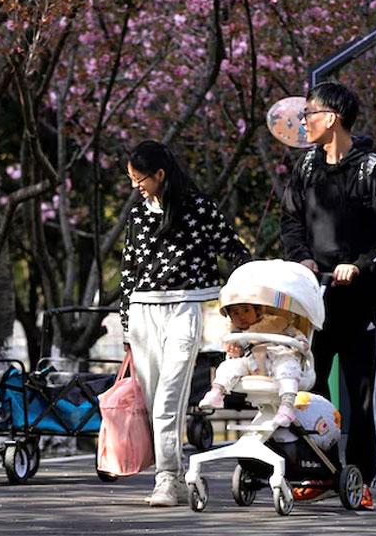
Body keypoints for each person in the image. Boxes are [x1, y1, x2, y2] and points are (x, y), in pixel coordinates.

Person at [280, 82, 376, 510]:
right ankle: (319, 471)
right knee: (309, 391)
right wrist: (301, 259)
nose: (304, 122)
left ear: (332, 117)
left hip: (362, 302)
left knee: (362, 397)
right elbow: (291, 222)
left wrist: (360, 264)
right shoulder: (304, 168)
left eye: (310, 114)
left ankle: (361, 477)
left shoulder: (372, 171)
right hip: (315, 302)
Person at [119, 140, 250, 507]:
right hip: (143, 313)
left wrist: (250, 294)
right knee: (151, 402)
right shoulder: (138, 214)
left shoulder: (199, 208)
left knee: (167, 402)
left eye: (139, 179)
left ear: (160, 174)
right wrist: (126, 328)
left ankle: (166, 479)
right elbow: (128, 273)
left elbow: (234, 250)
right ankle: (172, 478)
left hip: (185, 310)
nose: (135, 187)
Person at [197, 303, 312, 428]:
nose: (242, 316)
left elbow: (296, 335)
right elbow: (234, 353)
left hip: (277, 357)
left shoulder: (277, 323)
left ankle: (287, 405)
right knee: (229, 365)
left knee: (287, 365)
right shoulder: (237, 334)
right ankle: (217, 392)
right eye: (235, 313)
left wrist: (301, 342)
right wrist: (235, 353)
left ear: (257, 310)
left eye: (246, 310)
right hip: (252, 365)